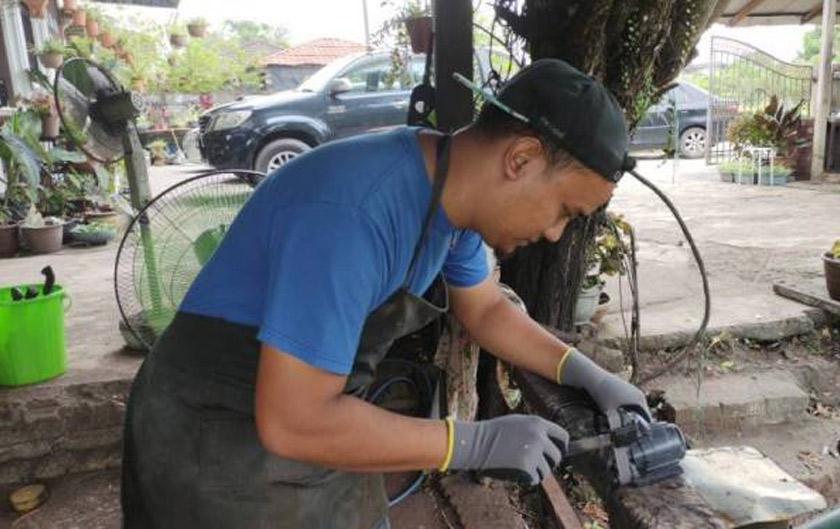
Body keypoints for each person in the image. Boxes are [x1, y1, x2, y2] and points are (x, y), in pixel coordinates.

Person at [121, 58, 650, 529]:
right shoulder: (352, 214)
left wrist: (586, 374)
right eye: (564, 211)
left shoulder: (454, 206)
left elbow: (485, 308)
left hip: (311, 414)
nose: (557, 233)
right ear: (522, 159)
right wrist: (472, 443)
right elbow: (293, 421)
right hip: (214, 436)